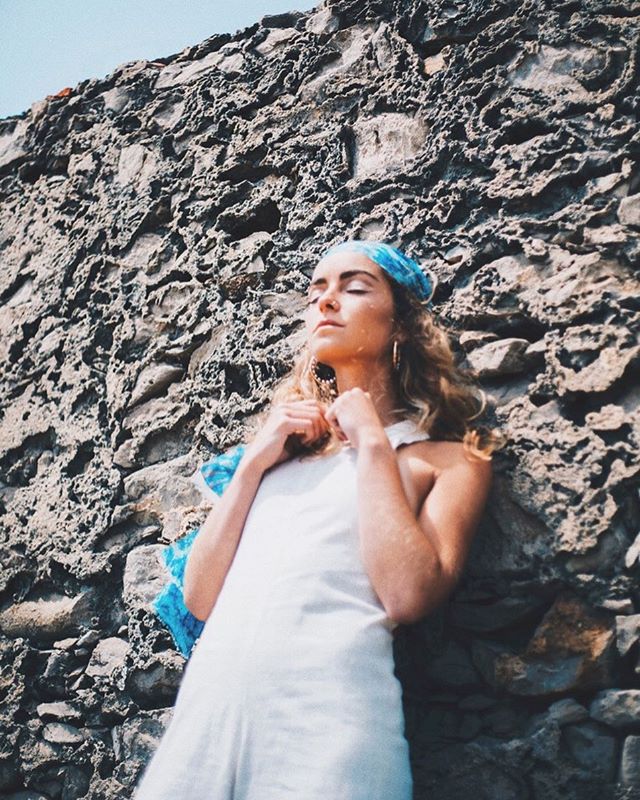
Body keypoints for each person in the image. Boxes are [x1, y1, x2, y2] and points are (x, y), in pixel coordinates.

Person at [134, 239, 502, 800]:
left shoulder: (450, 461)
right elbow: (201, 599)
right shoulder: (277, 459)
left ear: (402, 326)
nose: (327, 301)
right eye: (316, 292)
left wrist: (373, 443)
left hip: (328, 728)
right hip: (204, 724)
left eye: (354, 288)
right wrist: (254, 462)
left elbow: (407, 596)